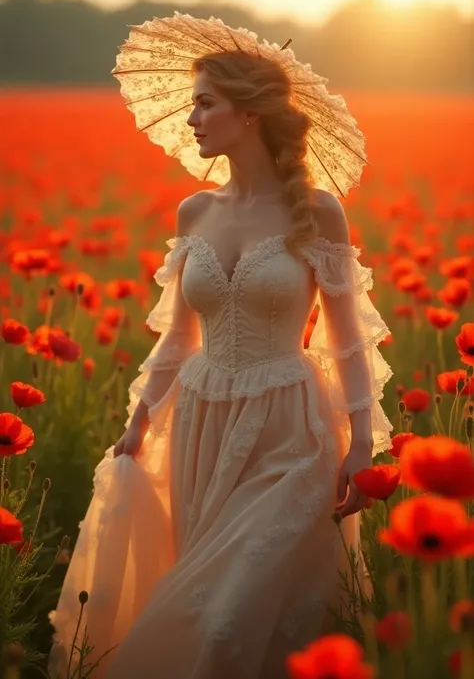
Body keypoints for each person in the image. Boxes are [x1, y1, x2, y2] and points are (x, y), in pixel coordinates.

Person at [48, 49, 393, 679]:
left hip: (290, 425)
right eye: (192, 103)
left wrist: (362, 442)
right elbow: (178, 337)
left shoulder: (316, 211)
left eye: (206, 102)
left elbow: (346, 341)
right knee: (206, 582)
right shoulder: (194, 212)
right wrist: (141, 418)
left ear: (251, 112)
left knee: (228, 609)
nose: (193, 118)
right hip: (201, 419)